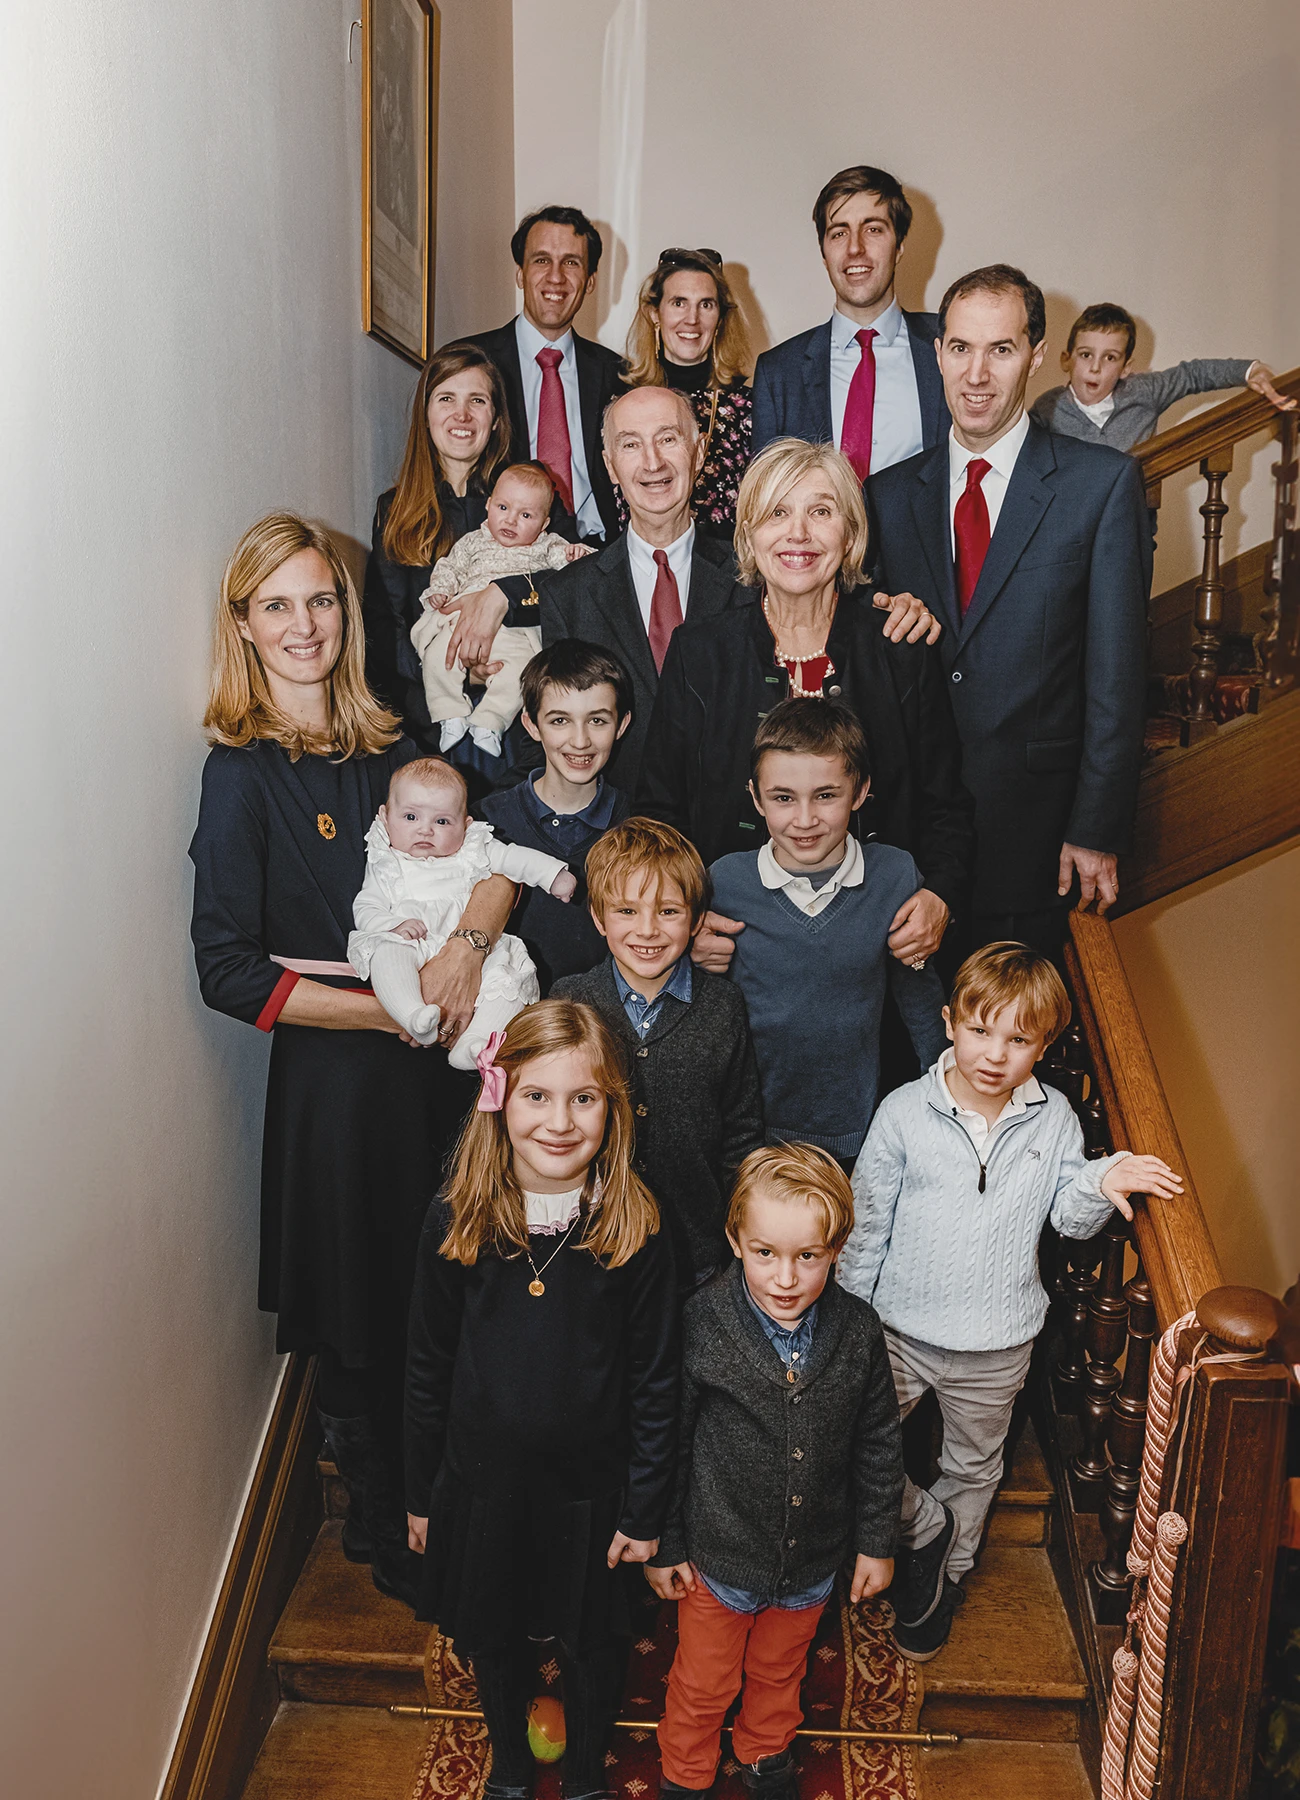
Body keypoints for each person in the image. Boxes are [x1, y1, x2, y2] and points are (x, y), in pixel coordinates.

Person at [189, 513, 517, 1609]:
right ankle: (390, 1529)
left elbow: (500, 856)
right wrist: (389, 1016)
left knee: (455, 1286)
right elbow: (228, 972)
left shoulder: (391, 745)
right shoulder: (240, 775)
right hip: (341, 1081)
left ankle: (461, 1502)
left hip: (446, 1063)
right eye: (276, 604)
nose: (304, 624)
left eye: (320, 599)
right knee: (366, 1307)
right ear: (244, 624)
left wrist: (466, 951)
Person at [839, 943, 1184, 1660]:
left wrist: (1101, 1182)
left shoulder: (1054, 1117)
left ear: (1045, 1044)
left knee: (974, 1466)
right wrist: (849, 1320)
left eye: (1019, 1039)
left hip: (999, 1341)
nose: (995, 1054)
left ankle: (948, 1572)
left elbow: (1068, 1216)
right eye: (980, 1030)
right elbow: (865, 1225)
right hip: (897, 1329)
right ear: (948, 1023)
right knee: (847, 1440)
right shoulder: (904, 1112)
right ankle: (920, 1527)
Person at [404, 1000, 678, 1800]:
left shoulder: (637, 1227)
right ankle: (512, 1771)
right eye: (537, 1096)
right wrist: (423, 1492)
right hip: (482, 1486)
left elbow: (658, 1380)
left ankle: (587, 1772)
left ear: (612, 1109)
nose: (560, 1121)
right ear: (498, 1099)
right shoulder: (457, 1219)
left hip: (593, 1495)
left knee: (592, 1640)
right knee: (494, 1633)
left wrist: (646, 1510)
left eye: (583, 1099)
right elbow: (426, 1364)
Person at [866, 265, 1154, 956]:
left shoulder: (1101, 486)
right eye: (960, 348)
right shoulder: (888, 495)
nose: (977, 373)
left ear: (1032, 355)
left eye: (1000, 349)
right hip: (912, 846)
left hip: (1039, 841)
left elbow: (1116, 678)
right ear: (937, 353)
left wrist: (1096, 827)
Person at [637, 438, 974, 979]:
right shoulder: (699, 651)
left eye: (821, 511)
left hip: (877, 956)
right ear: (749, 534)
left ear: (851, 534)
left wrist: (939, 896)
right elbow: (658, 815)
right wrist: (686, 920)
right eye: (777, 513)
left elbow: (946, 804)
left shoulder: (899, 646)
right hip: (735, 957)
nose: (798, 533)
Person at [648, 1144, 903, 1800]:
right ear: (736, 1239)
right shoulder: (703, 1323)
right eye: (766, 1253)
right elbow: (670, 1443)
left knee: (778, 1672)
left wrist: (876, 1542)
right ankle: (685, 1772)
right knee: (704, 1682)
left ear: (837, 1248)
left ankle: (765, 1752)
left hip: (810, 1561)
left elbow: (878, 1442)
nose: (785, 1277)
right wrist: (665, 1544)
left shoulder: (858, 1333)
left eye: (807, 1256)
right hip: (718, 1559)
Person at [438, 385, 745, 794]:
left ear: (700, 451)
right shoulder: (568, 593)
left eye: (667, 439)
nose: (652, 462)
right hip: (613, 837)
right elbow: (550, 738)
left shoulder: (752, 576)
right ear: (611, 466)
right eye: (631, 445)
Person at [709, 701, 947, 1173]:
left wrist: (948, 1095)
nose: (804, 819)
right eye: (782, 798)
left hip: (859, 1129)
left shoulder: (894, 875)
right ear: (755, 798)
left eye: (825, 796)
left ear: (860, 792)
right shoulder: (724, 883)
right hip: (750, 1132)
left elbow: (920, 999)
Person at [553, 818, 764, 1290]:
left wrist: (741, 1236)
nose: (647, 930)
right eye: (626, 911)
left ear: (695, 918)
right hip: (588, 1248)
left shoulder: (723, 1008)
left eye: (668, 911)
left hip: (699, 1256)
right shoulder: (568, 1001)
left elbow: (741, 1135)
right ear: (598, 917)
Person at [363, 342, 533, 771]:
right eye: (446, 399)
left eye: (477, 400)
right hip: (427, 726)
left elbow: (568, 592)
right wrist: (453, 679)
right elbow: (386, 629)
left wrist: (504, 595)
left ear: (496, 419)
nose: (462, 415)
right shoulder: (393, 509)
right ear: (426, 414)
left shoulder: (532, 501)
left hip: (518, 718)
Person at [347, 757, 575, 1056]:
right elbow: (366, 905)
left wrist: (553, 876)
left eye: (441, 821)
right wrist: (391, 926)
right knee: (386, 952)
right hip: (414, 942)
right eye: (411, 817)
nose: (425, 830)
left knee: (508, 976)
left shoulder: (471, 850)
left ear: (466, 825)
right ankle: (412, 1013)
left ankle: (477, 1043)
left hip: (475, 958)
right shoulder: (387, 861)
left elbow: (514, 859)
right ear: (385, 815)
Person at [751, 165, 949, 475]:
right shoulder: (778, 373)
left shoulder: (950, 346)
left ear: (899, 247)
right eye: (839, 233)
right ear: (824, 253)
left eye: (873, 229)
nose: (855, 248)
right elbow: (766, 500)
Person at [480, 639, 635, 990]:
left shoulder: (638, 828)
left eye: (597, 720)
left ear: (622, 725)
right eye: (560, 720)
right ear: (532, 726)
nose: (580, 741)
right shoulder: (486, 824)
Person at [411, 462, 591, 757]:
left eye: (526, 515)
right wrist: (440, 590)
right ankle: (450, 713)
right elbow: (449, 567)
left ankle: (490, 721)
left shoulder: (546, 545)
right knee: (438, 657)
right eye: (504, 508)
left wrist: (575, 554)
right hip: (463, 618)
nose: (511, 521)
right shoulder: (472, 542)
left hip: (515, 629)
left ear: (544, 524)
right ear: (489, 505)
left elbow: (577, 570)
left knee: (523, 673)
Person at [469, 205, 625, 544]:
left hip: (597, 552)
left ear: (591, 281)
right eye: (541, 260)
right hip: (501, 552)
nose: (556, 277)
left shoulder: (619, 376)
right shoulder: (473, 364)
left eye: (571, 262)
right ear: (520, 274)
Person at [1030, 302, 1296, 450]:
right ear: (1067, 359)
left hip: (1133, 524)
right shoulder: (1048, 407)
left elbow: (1192, 375)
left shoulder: (1143, 391)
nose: (1095, 367)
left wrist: (1251, 370)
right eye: (1086, 355)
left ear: (1125, 367)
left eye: (1110, 357)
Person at [621, 246, 754, 537]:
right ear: (654, 313)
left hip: (726, 572)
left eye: (706, 304)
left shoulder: (749, 407)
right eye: (679, 303)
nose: (692, 319)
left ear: (720, 317)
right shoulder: (622, 404)